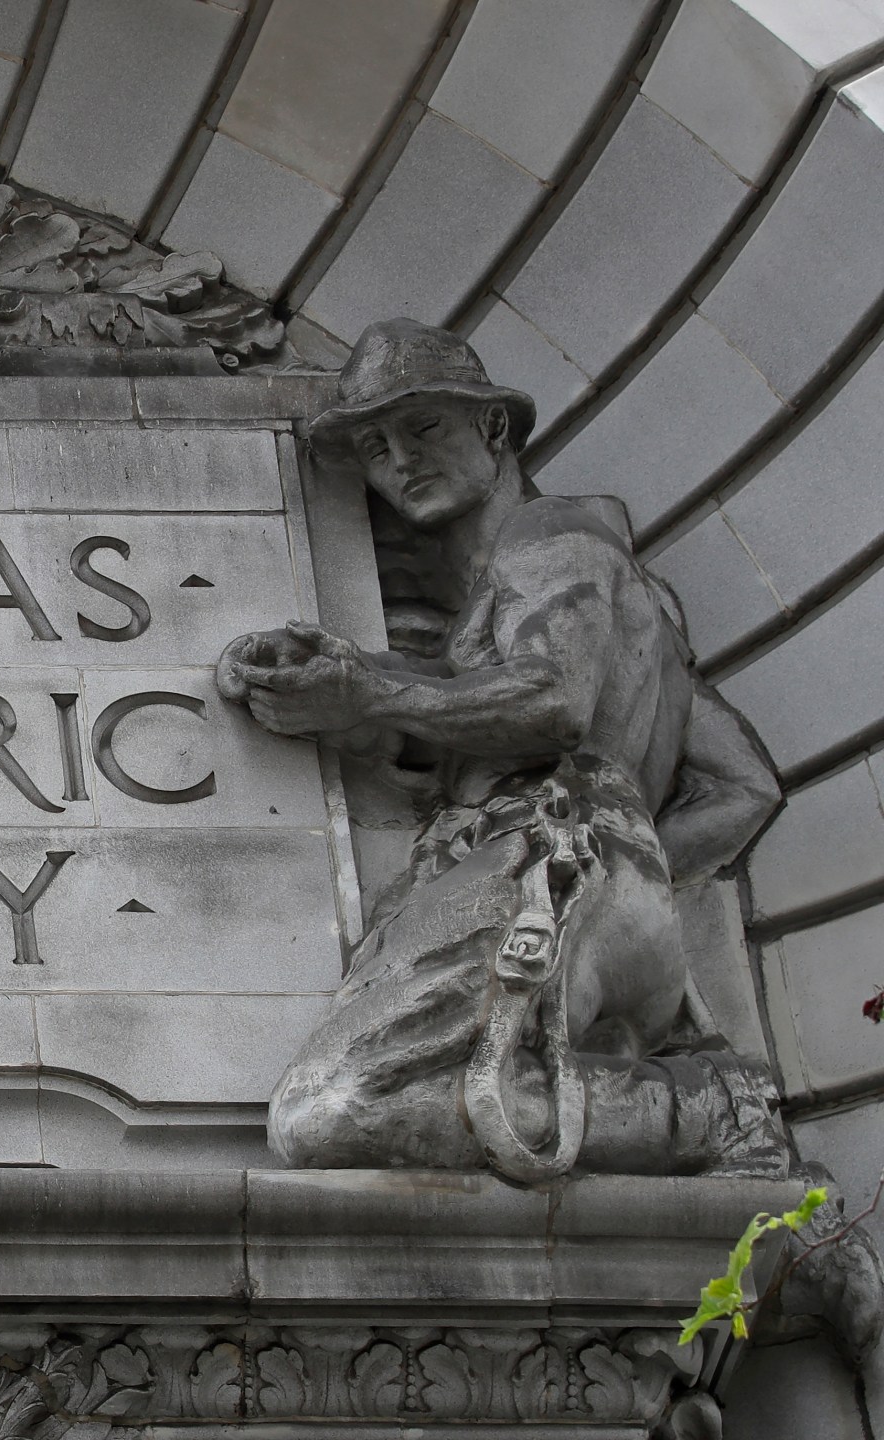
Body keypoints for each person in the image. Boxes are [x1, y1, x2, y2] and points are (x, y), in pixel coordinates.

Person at [219, 319, 789, 1180]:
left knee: (332, 1108)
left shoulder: (553, 538)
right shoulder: (579, 581)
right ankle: (674, 1102)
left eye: (424, 427)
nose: (400, 459)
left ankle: (709, 1113)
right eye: (374, 444)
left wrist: (371, 691)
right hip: (574, 874)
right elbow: (743, 783)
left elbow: (551, 703)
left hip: (537, 858)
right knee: (352, 1105)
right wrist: (636, 876)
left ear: (494, 430)